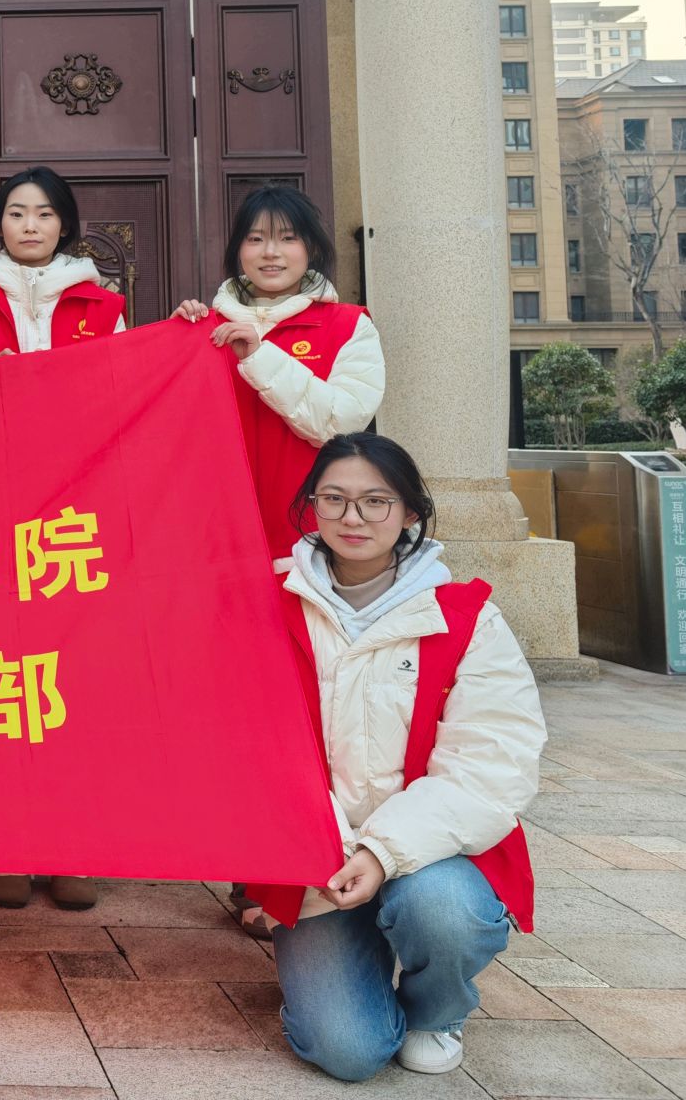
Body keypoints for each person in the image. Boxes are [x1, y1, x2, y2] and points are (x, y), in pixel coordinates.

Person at [243, 433, 543, 1081]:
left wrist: (381, 853)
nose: (353, 517)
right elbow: (241, 744)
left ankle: (437, 1011)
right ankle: (349, 968)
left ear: (409, 511)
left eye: (376, 501)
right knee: (348, 1052)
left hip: (432, 856)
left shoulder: (467, 619)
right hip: (317, 864)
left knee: (442, 912)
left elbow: (492, 765)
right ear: (312, 505)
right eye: (334, 499)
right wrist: (318, 844)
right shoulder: (263, 604)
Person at [0, 167, 120, 912]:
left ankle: (74, 844)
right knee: (0, 679)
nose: (31, 226)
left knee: (73, 679)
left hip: (76, 518)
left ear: (65, 224)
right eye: (17, 213)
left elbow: (119, 401)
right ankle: (5, 843)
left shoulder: (104, 307)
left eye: (45, 214)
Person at [173, 184, 384, 566]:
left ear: (311, 247)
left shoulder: (350, 325)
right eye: (256, 239)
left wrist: (260, 357)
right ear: (238, 249)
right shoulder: (205, 329)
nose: (270, 252)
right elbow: (171, 435)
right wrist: (172, 346)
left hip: (311, 544)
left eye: (288, 238)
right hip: (212, 543)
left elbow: (340, 424)